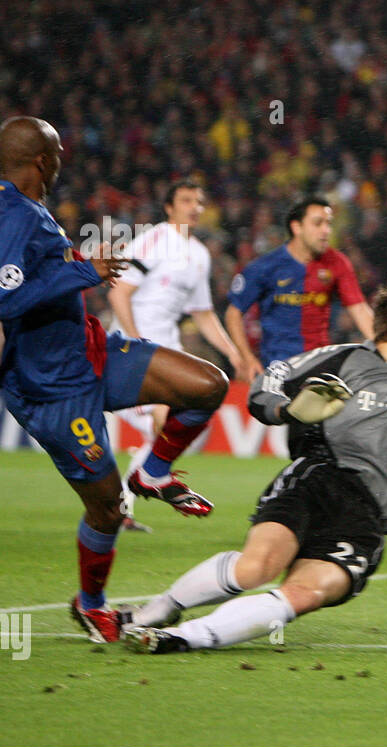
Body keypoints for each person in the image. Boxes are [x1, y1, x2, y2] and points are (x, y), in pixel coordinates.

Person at [123, 285, 387, 653]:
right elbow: (268, 383)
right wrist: (287, 410)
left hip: (365, 523)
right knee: (257, 567)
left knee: (306, 593)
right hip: (317, 480)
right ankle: (154, 612)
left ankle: (178, 639)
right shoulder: (347, 358)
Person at [0, 116, 228, 643]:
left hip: (91, 351)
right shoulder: (13, 216)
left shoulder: (26, 208)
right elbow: (0, 299)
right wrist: (83, 271)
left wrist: (77, 267)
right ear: (42, 161)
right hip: (53, 391)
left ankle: (155, 473)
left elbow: (36, 280)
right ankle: (91, 604)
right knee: (108, 510)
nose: (63, 160)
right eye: (58, 153)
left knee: (207, 385)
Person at [107, 180, 249, 532]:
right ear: (169, 207)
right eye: (186, 200)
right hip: (134, 349)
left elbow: (202, 313)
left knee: (167, 428)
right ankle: (127, 496)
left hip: (167, 349)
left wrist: (232, 351)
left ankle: (121, 504)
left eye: (199, 202)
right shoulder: (154, 240)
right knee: (163, 424)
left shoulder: (199, 254)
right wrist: (137, 342)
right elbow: (119, 292)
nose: (194, 207)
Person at [224, 196, 373, 376]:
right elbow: (233, 314)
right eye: (318, 224)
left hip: (320, 366)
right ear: (297, 227)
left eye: (328, 223)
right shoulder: (266, 267)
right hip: (277, 367)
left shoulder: (337, 262)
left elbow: (360, 310)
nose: (326, 230)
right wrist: (247, 357)